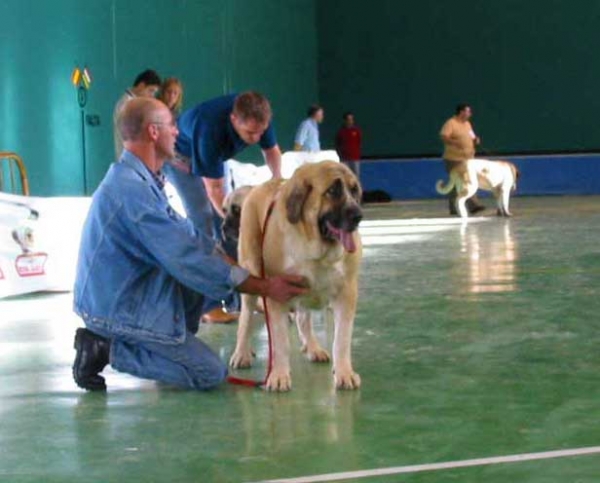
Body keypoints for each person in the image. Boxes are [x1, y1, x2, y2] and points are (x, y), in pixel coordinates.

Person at [72, 97, 308, 392]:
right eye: (171, 125)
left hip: (130, 289)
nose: (177, 132)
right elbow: (188, 257)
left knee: (208, 263)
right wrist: (265, 287)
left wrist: (237, 267)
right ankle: (104, 348)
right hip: (114, 308)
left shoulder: (140, 179)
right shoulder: (133, 192)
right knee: (209, 372)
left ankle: (166, 339)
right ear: (153, 132)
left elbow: (190, 238)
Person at [166, 91, 283, 323]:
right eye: (250, 133)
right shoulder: (209, 128)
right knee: (206, 224)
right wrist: (240, 223)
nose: (256, 137)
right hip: (180, 158)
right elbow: (215, 191)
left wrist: (278, 185)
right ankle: (208, 305)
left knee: (230, 233)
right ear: (233, 120)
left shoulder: (259, 115)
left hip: (216, 157)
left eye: (261, 131)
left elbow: (272, 152)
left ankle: (242, 299)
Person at [439, 104, 485, 215]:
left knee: (467, 180)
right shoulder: (451, 123)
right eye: (468, 112)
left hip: (468, 159)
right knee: (457, 182)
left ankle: (470, 205)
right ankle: (462, 207)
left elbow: (472, 135)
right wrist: (455, 143)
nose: (470, 114)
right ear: (461, 112)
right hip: (454, 159)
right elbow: (444, 136)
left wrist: (475, 140)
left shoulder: (467, 124)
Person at [113, 69, 162, 159]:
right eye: (151, 91)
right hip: (129, 157)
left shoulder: (134, 103)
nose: (151, 96)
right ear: (141, 85)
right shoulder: (127, 105)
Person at [335, 111, 362, 178]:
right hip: (344, 158)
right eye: (348, 119)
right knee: (344, 176)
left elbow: (359, 142)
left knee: (356, 176)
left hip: (355, 158)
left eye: (351, 119)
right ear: (345, 120)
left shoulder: (356, 131)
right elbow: (337, 143)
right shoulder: (341, 132)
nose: (350, 121)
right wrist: (340, 155)